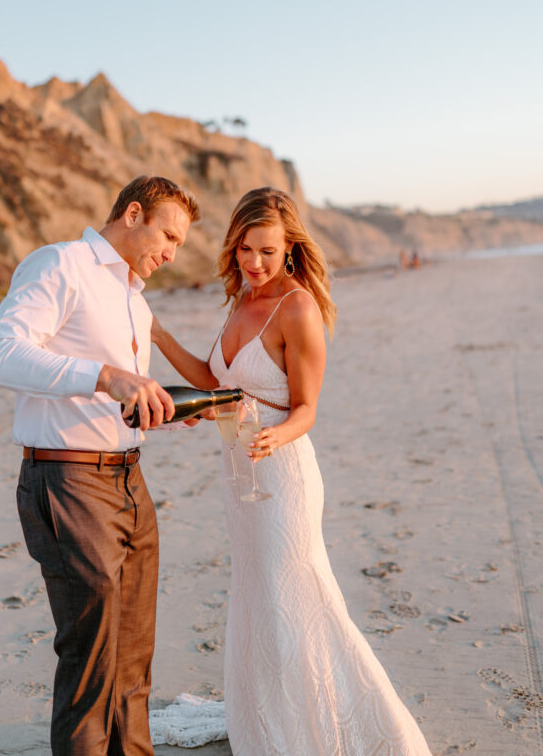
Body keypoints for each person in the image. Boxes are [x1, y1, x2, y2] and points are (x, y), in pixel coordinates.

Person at [152, 186, 432, 756]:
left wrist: (275, 434)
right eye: (245, 250)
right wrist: (157, 335)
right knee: (257, 595)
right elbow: (213, 381)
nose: (254, 264)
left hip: (282, 476)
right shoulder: (240, 301)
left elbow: (306, 407)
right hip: (240, 477)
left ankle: (329, 720)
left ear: (290, 251)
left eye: (268, 253)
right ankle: (269, 712)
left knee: (296, 596)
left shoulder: (297, 307)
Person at [0, 175, 200, 756]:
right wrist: (104, 375)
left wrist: (162, 407)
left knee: (132, 660)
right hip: (69, 483)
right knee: (91, 661)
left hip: (130, 480)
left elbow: (118, 399)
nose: (171, 255)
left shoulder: (134, 298)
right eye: (168, 236)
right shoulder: (60, 265)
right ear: (133, 214)